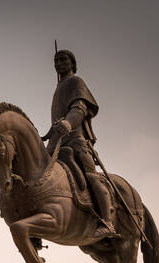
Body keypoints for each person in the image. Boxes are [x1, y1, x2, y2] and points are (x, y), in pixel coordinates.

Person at [43, 49, 116, 239]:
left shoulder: (75, 82)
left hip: (76, 138)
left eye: (64, 59)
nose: (60, 63)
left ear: (72, 63)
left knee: (90, 176)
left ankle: (107, 221)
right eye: (56, 60)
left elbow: (79, 108)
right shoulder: (58, 88)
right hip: (57, 141)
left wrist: (68, 122)